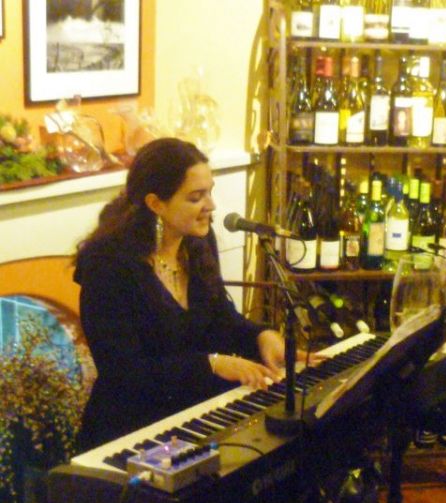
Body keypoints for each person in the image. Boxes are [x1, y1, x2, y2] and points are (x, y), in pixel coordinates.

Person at [74, 138, 318, 451]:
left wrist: (260, 337)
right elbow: (124, 373)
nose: (211, 206)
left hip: (197, 413)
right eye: (196, 197)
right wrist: (211, 364)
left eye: (210, 192)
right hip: (131, 430)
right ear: (156, 204)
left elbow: (220, 319)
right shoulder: (107, 264)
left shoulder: (196, 242)